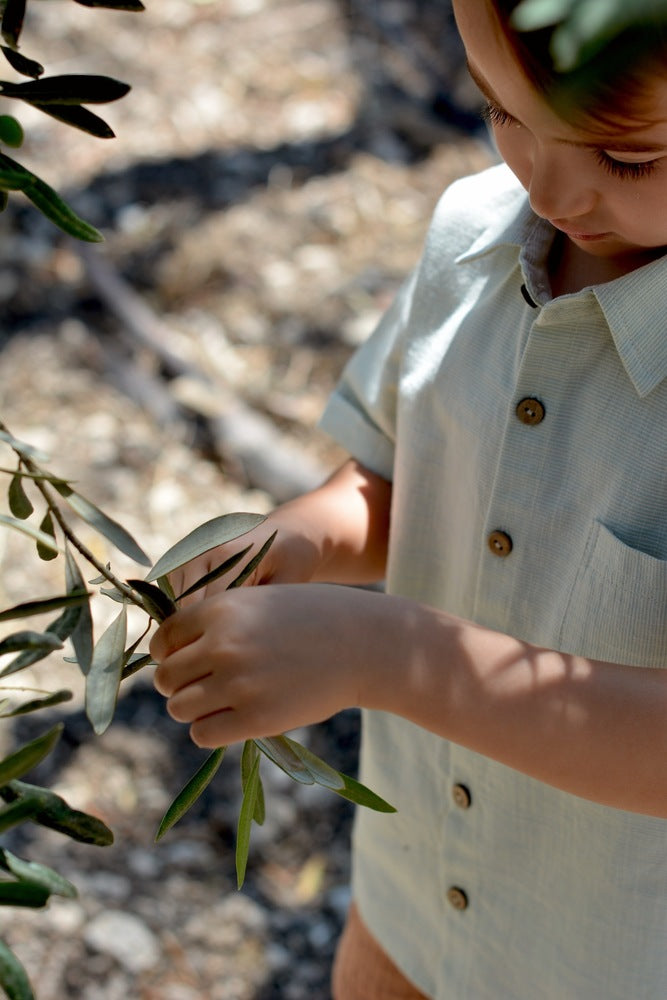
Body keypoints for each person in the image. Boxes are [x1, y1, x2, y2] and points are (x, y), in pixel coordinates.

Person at [150, 1, 667, 996]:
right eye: (501, 112)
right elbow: (400, 483)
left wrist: (381, 654)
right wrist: (290, 547)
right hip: (413, 892)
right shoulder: (472, 237)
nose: (549, 187)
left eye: (628, 158)